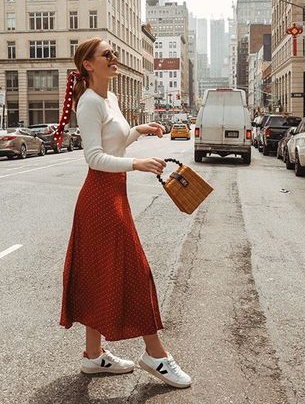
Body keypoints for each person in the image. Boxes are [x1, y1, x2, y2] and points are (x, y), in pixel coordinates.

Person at [56, 37, 191, 389]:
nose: (114, 58)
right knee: (136, 272)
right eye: (107, 55)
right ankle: (156, 355)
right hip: (100, 199)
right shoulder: (88, 103)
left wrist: (137, 131)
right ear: (89, 65)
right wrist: (138, 163)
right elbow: (94, 157)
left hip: (114, 197)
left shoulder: (110, 98)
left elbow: (114, 140)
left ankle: (93, 356)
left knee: (100, 273)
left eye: (114, 53)